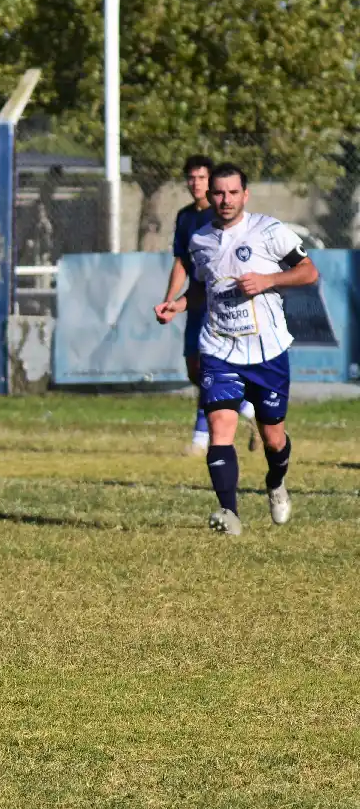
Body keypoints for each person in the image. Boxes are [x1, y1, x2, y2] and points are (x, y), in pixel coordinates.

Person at [155, 164, 318, 535]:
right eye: (218, 193)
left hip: (267, 352)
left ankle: (276, 483)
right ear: (209, 196)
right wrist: (175, 305)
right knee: (220, 427)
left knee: (273, 439)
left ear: (245, 194)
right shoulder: (201, 240)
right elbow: (201, 289)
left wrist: (269, 280)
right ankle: (229, 513)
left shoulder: (269, 231)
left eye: (232, 193)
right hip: (219, 347)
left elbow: (309, 272)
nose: (225, 200)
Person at [161, 155, 258, 455]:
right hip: (195, 300)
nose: (195, 183)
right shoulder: (185, 217)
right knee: (195, 371)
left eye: (201, 178)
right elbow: (182, 262)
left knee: (209, 370)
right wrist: (170, 300)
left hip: (219, 304)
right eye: (191, 178)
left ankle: (200, 439)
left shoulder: (223, 217)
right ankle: (249, 408)